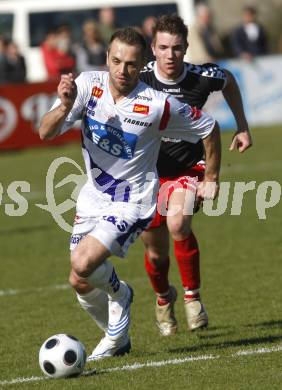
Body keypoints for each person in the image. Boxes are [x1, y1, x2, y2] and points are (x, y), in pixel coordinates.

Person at [38, 27, 221, 360]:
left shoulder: (156, 105)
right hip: (93, 196)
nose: (123, 71)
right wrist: (65, 107)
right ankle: (118, 339)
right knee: (79, 281)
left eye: (132, 65)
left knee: (83, 263)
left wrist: (211, 177)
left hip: (133, 201)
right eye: (117, 61)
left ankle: (120, 297)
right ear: (107, 57)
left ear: (143, 65)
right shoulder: (85, 86)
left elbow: (208, 127)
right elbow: (45, 132)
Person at [139, 14, 252, 336]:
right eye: (163, 48)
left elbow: (228, 79)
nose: (170, 55)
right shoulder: (139, 78)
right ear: (153, 49)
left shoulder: (202, 76)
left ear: (186, 48)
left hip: (190, 168)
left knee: (178, 223)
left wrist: (242, 126)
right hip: (146, 174)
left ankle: (192, 297)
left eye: (176, 48)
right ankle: (164, 299)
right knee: (156, 253)